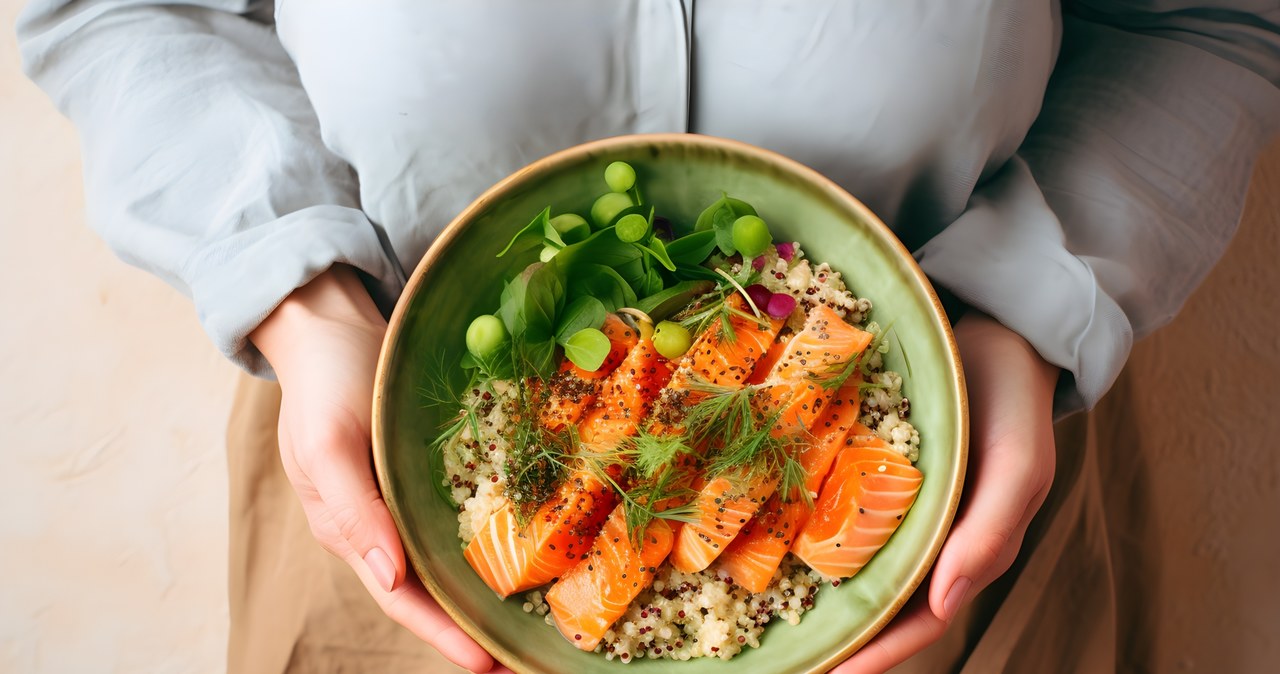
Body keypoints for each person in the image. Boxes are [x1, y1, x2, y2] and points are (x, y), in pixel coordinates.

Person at [17, 1, 1279, 672]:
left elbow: (1200, 17)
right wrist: (303, 302)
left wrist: (1027, 314)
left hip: (951, 489)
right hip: (395, 484)